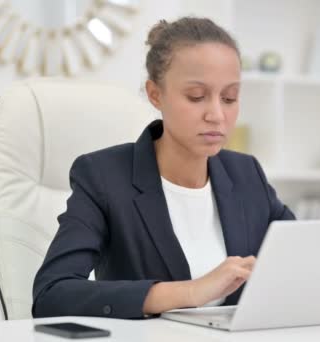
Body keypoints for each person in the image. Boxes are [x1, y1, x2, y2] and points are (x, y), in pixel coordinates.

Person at [32, 17, 295, 319]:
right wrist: (191, 291)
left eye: (229, 98)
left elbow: (306, 256)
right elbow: (52, 294)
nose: (217, 115)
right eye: (196, 96)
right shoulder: (102, 176)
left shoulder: (246, 173)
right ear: (156, 94)